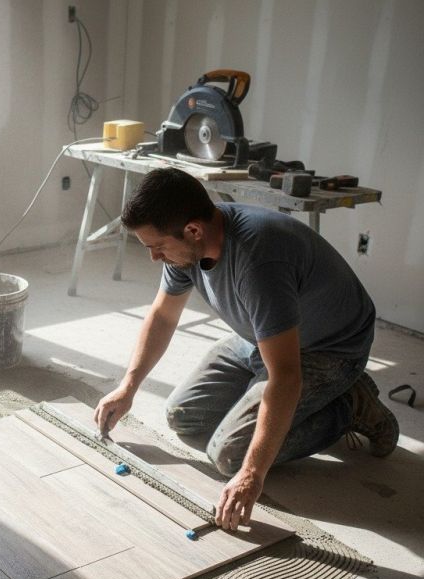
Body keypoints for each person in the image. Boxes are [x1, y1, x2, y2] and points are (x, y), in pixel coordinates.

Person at [93, 167, 398, 532]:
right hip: (261, 334)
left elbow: (285, 377)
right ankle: (270, 397)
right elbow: (163, 315)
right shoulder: (187, 249)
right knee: (183, 416)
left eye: (157, 247)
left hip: (329, 348)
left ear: (193, 230)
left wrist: (252, 475)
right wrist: (128, 386)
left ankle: (350, 405)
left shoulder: (258, 262)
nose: (154, 258)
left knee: (231, 456)